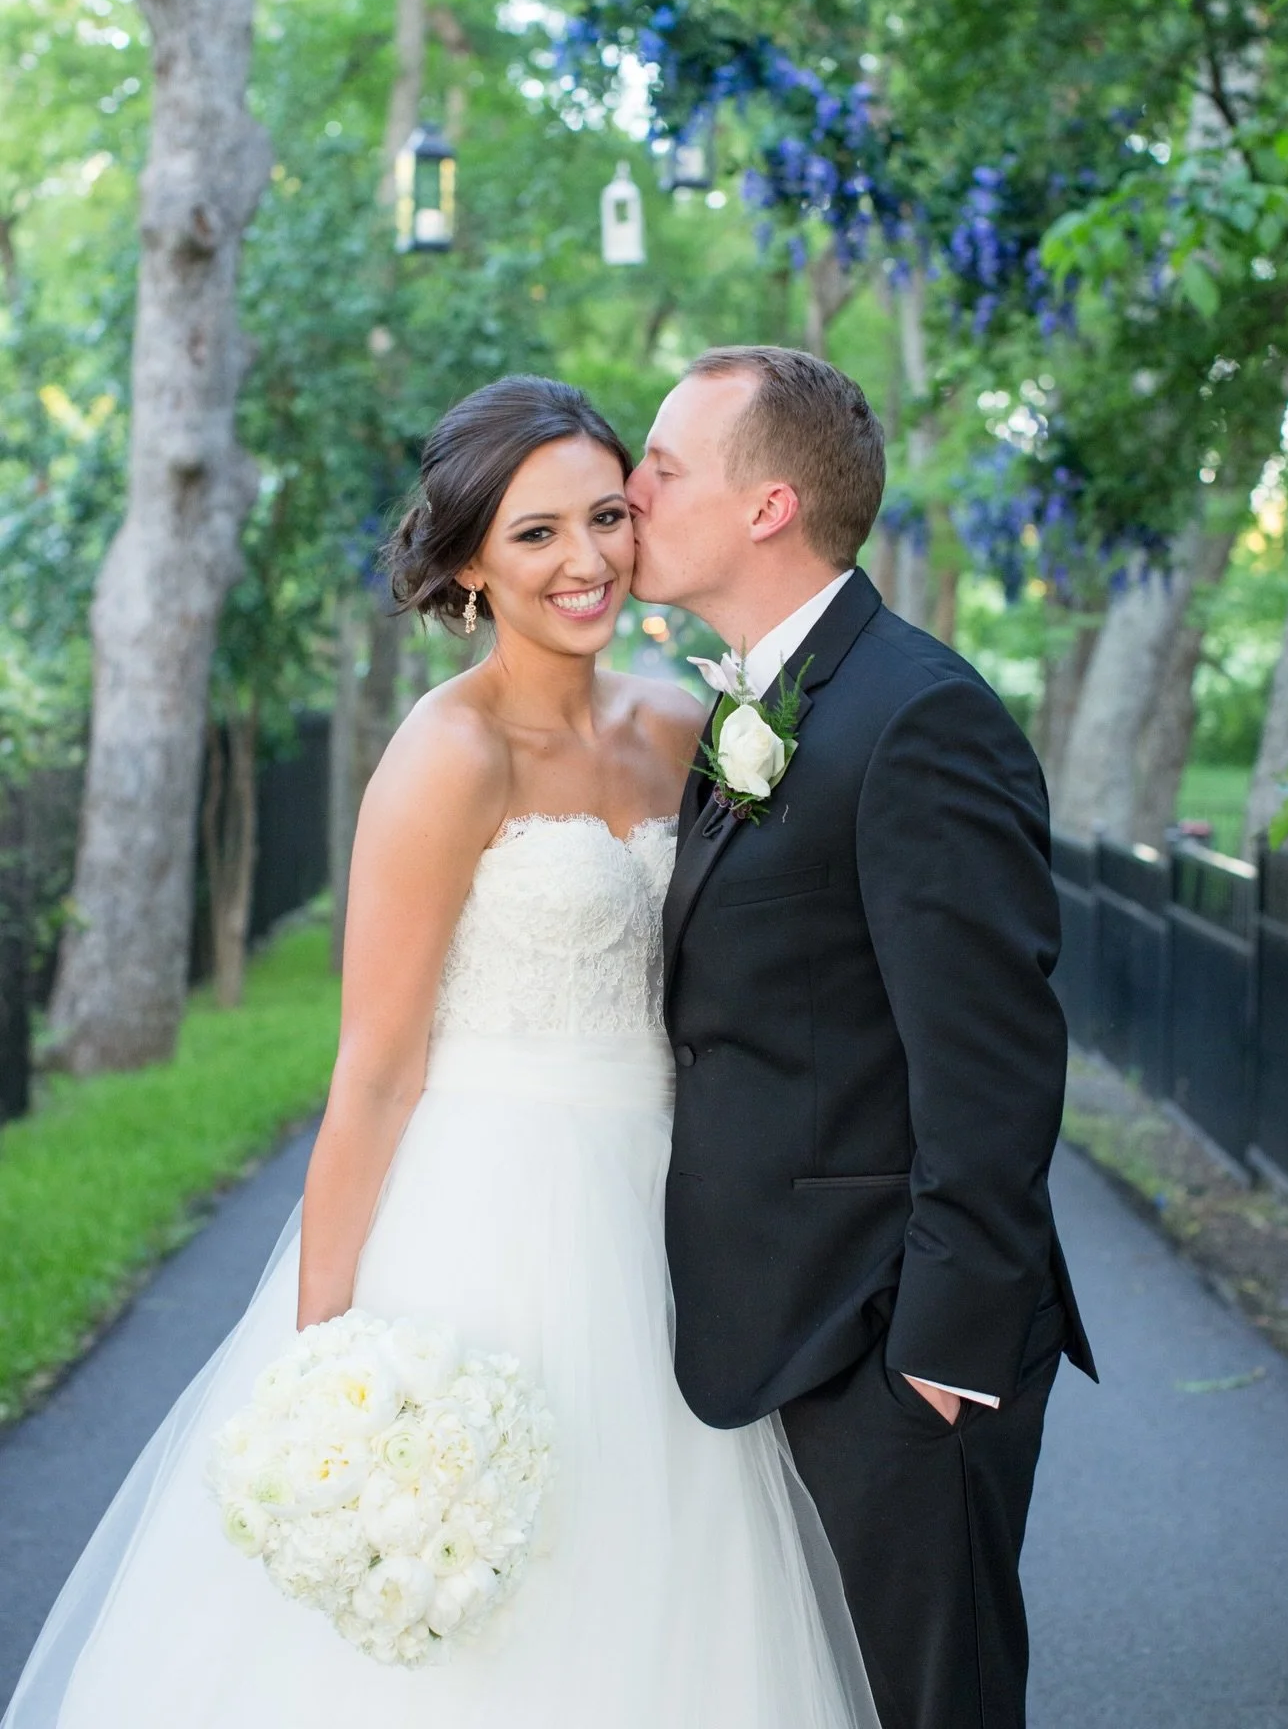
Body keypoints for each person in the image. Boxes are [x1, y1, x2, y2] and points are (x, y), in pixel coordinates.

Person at [2, 376, 878, 1729]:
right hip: (490, 1217)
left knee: (664, 1587)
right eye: (536, 533)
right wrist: (317, 1366)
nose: (585, 559)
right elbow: (374, 1071)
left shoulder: (685, 727)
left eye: (605, 516)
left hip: (676, 1213)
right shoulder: (447, 753)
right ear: (470, 562)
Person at [628, 345, 1097, 1729]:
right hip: (771, 1310)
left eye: (663, 468)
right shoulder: (757, 704)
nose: (631, 492)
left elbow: (993, 1064)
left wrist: (940, 1358)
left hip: (891, 1337)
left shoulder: (919, 716)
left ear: (768, 506)